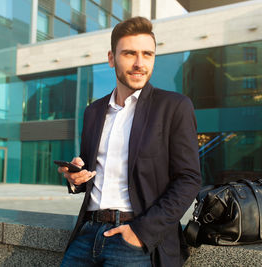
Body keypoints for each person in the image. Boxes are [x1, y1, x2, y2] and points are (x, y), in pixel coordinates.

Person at [58, 16, 202, 267]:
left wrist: (140, 233)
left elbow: (189, 179)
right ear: (111, 58)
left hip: (135, 238)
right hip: (86, 235)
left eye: (147, 54)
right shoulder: (93, 112)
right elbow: (93, 174)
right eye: (129, 54)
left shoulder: (174, 107)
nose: (139, 63)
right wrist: (76, 179)